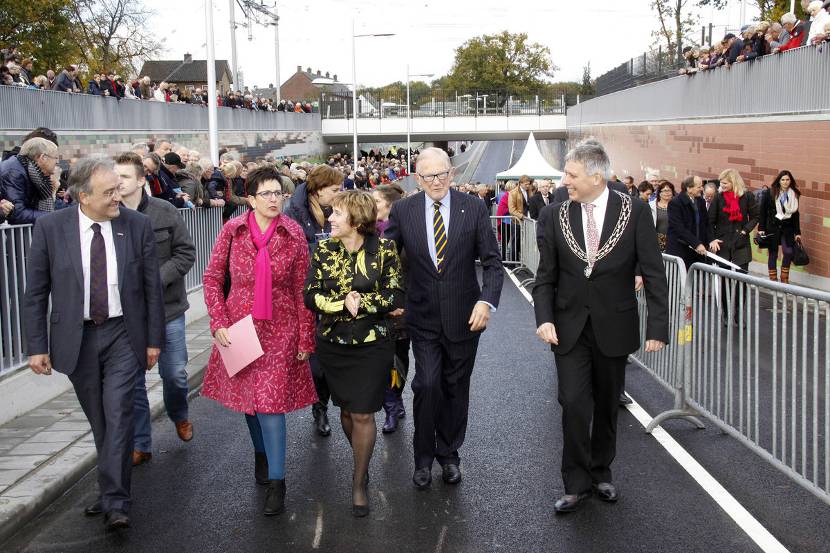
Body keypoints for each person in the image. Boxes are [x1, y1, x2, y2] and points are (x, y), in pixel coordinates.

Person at [23, 158, 165, 530]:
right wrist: (36, 346)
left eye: (119, 188)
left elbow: (152, 287)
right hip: (77, 338)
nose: (118, 196)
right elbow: (36, 292)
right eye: (109, 192)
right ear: (82, 196)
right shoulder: (51, 228)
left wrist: (154, 340)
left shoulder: (136, 226)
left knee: (118, 414)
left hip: (123, 333)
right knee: (100, 420)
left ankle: (116, 501)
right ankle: (109, 492)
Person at [532, 139, 668, 514]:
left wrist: (658, 327)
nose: (565, 181)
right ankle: (575, 483)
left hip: (615, 325)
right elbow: (546, 275)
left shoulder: (636, 212)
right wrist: (543, 317)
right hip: (568, 326)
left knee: (607, 405)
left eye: (572, 175)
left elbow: (654, 272)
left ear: (596, 177)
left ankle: (601, 471)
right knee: (573, 402)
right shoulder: (556, 214)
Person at [385, 147, 504, 490]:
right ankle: (422, 457)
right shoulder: (403, 210)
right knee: (427, 384)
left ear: (452, 174)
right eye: (427, 176)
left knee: (456, 388)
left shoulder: (474, 208)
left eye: (442, 174)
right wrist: (392, 298)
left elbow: (493, 262)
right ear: (417, 178)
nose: (436, 182)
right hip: (420, 317)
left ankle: (449, 454)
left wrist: (487, 302)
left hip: (466, 317)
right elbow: (387, 260)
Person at [201, 165, 317, 516]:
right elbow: (211, 279)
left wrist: (305, 335)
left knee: (270, 403)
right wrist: (218, 321)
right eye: (265, 193)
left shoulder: (293, 232)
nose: (273, 199)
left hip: (281, 327)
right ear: (249, 198)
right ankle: (261, 454)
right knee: (249, 402)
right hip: (239, 326)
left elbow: (302, 288)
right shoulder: (232, 231)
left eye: (278, 192)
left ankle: (278, 484)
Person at [304, 190, 403, 516]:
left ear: (357, 219)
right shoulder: (323, 249)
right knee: (347, 413)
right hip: (333, 344)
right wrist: (339, 305)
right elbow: (310, 295)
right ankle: (363, 459)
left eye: (336, 213)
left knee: (363, 413)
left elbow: (394, 295)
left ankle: (358, 481)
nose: (329, 218)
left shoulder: (386, 249)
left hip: (373, 344)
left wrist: (365, 304)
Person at [115, 152, 197, 466]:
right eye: (115, 176)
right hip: (126, 315)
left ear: (140, 180)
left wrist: (156, 280)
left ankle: (179, 414)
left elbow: (186, 253)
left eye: (123, 176)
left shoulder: (164, 211)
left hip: (168, 309)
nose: (118, 182)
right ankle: (141, 443)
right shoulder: (110, 216)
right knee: (132, 381)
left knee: (174, 374)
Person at [284, 164, 343, 437]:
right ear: (318, 191)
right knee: (316, 363)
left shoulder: (338, 209)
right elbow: (292, 251)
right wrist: (324, 249)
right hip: (309, 293)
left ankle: (337, 405)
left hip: (338, 290)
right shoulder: (294, 212)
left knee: (335, 359)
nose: (339, 193)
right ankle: (319, 408)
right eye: (334, 189)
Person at [372, 184, 409, 433]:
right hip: (375, 307)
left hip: (402, 305)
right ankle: (391, 406)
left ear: (390, 205)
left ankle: (396, 397)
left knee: (400, 356)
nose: (371, 204)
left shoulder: (405, 232)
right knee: (382, 359)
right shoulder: (366, 231)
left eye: (376, 201)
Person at [708, 168, 759, 273]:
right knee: (724, 278)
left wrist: (745, 230)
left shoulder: (747, 196)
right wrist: (712, 239)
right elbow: (710, 220)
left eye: (725, 183)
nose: (722, 185)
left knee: (742, 277)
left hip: (741, 241)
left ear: (734, 182)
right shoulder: (718, 197)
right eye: (721, 182)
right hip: (722, 242)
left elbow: (756, 216)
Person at [1, 137, 60, 224]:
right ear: (43, 158)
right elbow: (17, 213)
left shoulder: (34, 173)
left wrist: (53, 190)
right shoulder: (14, 172)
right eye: (56, 158)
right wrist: (52, 216)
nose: (57, 162)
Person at [759, 170, 802, 283]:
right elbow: (762, 211)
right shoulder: (770, 193)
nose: (785, 182)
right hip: (772, 227)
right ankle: (773, 280)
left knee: (788, 252)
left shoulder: (794, 194)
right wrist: (761, 229)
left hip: (787, 228)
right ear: (779, 180)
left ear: (791, 180)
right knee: (773, 253)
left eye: (788, 179)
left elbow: (796, 214)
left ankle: (784, 279)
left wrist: (797, 232)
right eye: (783, 179)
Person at [666, 175, 710, 270]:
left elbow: (705, 224)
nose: (702, 189)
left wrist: (708, 242)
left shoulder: (701, 202)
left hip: (699, 251)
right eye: (699, 187)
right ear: (689, 188)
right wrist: (696, 244)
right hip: (681, 250)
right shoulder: (675, 203)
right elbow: (679, 228)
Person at [650, 181, 676, 252]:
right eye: (664, 190)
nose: (667, 193)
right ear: (659, 193)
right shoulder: (651, 206)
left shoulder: (677, 206)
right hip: (656, 241)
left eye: (669, 190)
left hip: (673, 240)